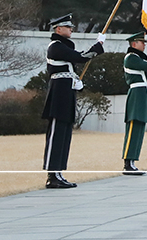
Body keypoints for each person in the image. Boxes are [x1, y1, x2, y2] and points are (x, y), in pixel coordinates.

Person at [41, 14, 104, 188]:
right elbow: (81, 56)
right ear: (58, 29)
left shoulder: (63, 46)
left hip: (66, 92)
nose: (71, 30)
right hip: (58, 94)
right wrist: (98, 46)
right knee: (56, 133)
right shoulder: (55, 46)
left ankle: (59, 172)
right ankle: (52, 174)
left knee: (65, 134)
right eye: (68, 27)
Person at [121, 31, 147, 175]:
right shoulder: (131, 57)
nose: (144, 44)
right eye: (141, 42)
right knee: (133, 128)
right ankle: (128, 162)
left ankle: (132, 161)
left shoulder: (137, 58)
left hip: (143, 94)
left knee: (139, 128)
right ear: (134, 44)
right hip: (137, 94)